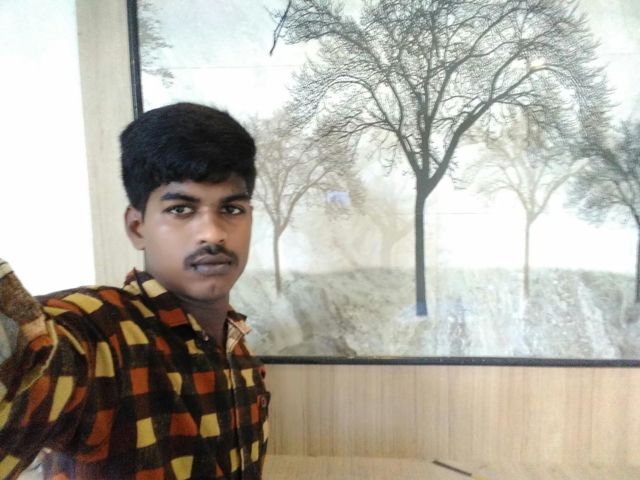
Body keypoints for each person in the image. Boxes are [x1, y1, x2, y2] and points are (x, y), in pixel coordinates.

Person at [0, 102, 269, 479]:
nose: (212, 233)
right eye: (181, 209)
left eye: (232, 209)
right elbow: (35, 353)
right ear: (137, 227)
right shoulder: (104, 335)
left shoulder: (240, 353)